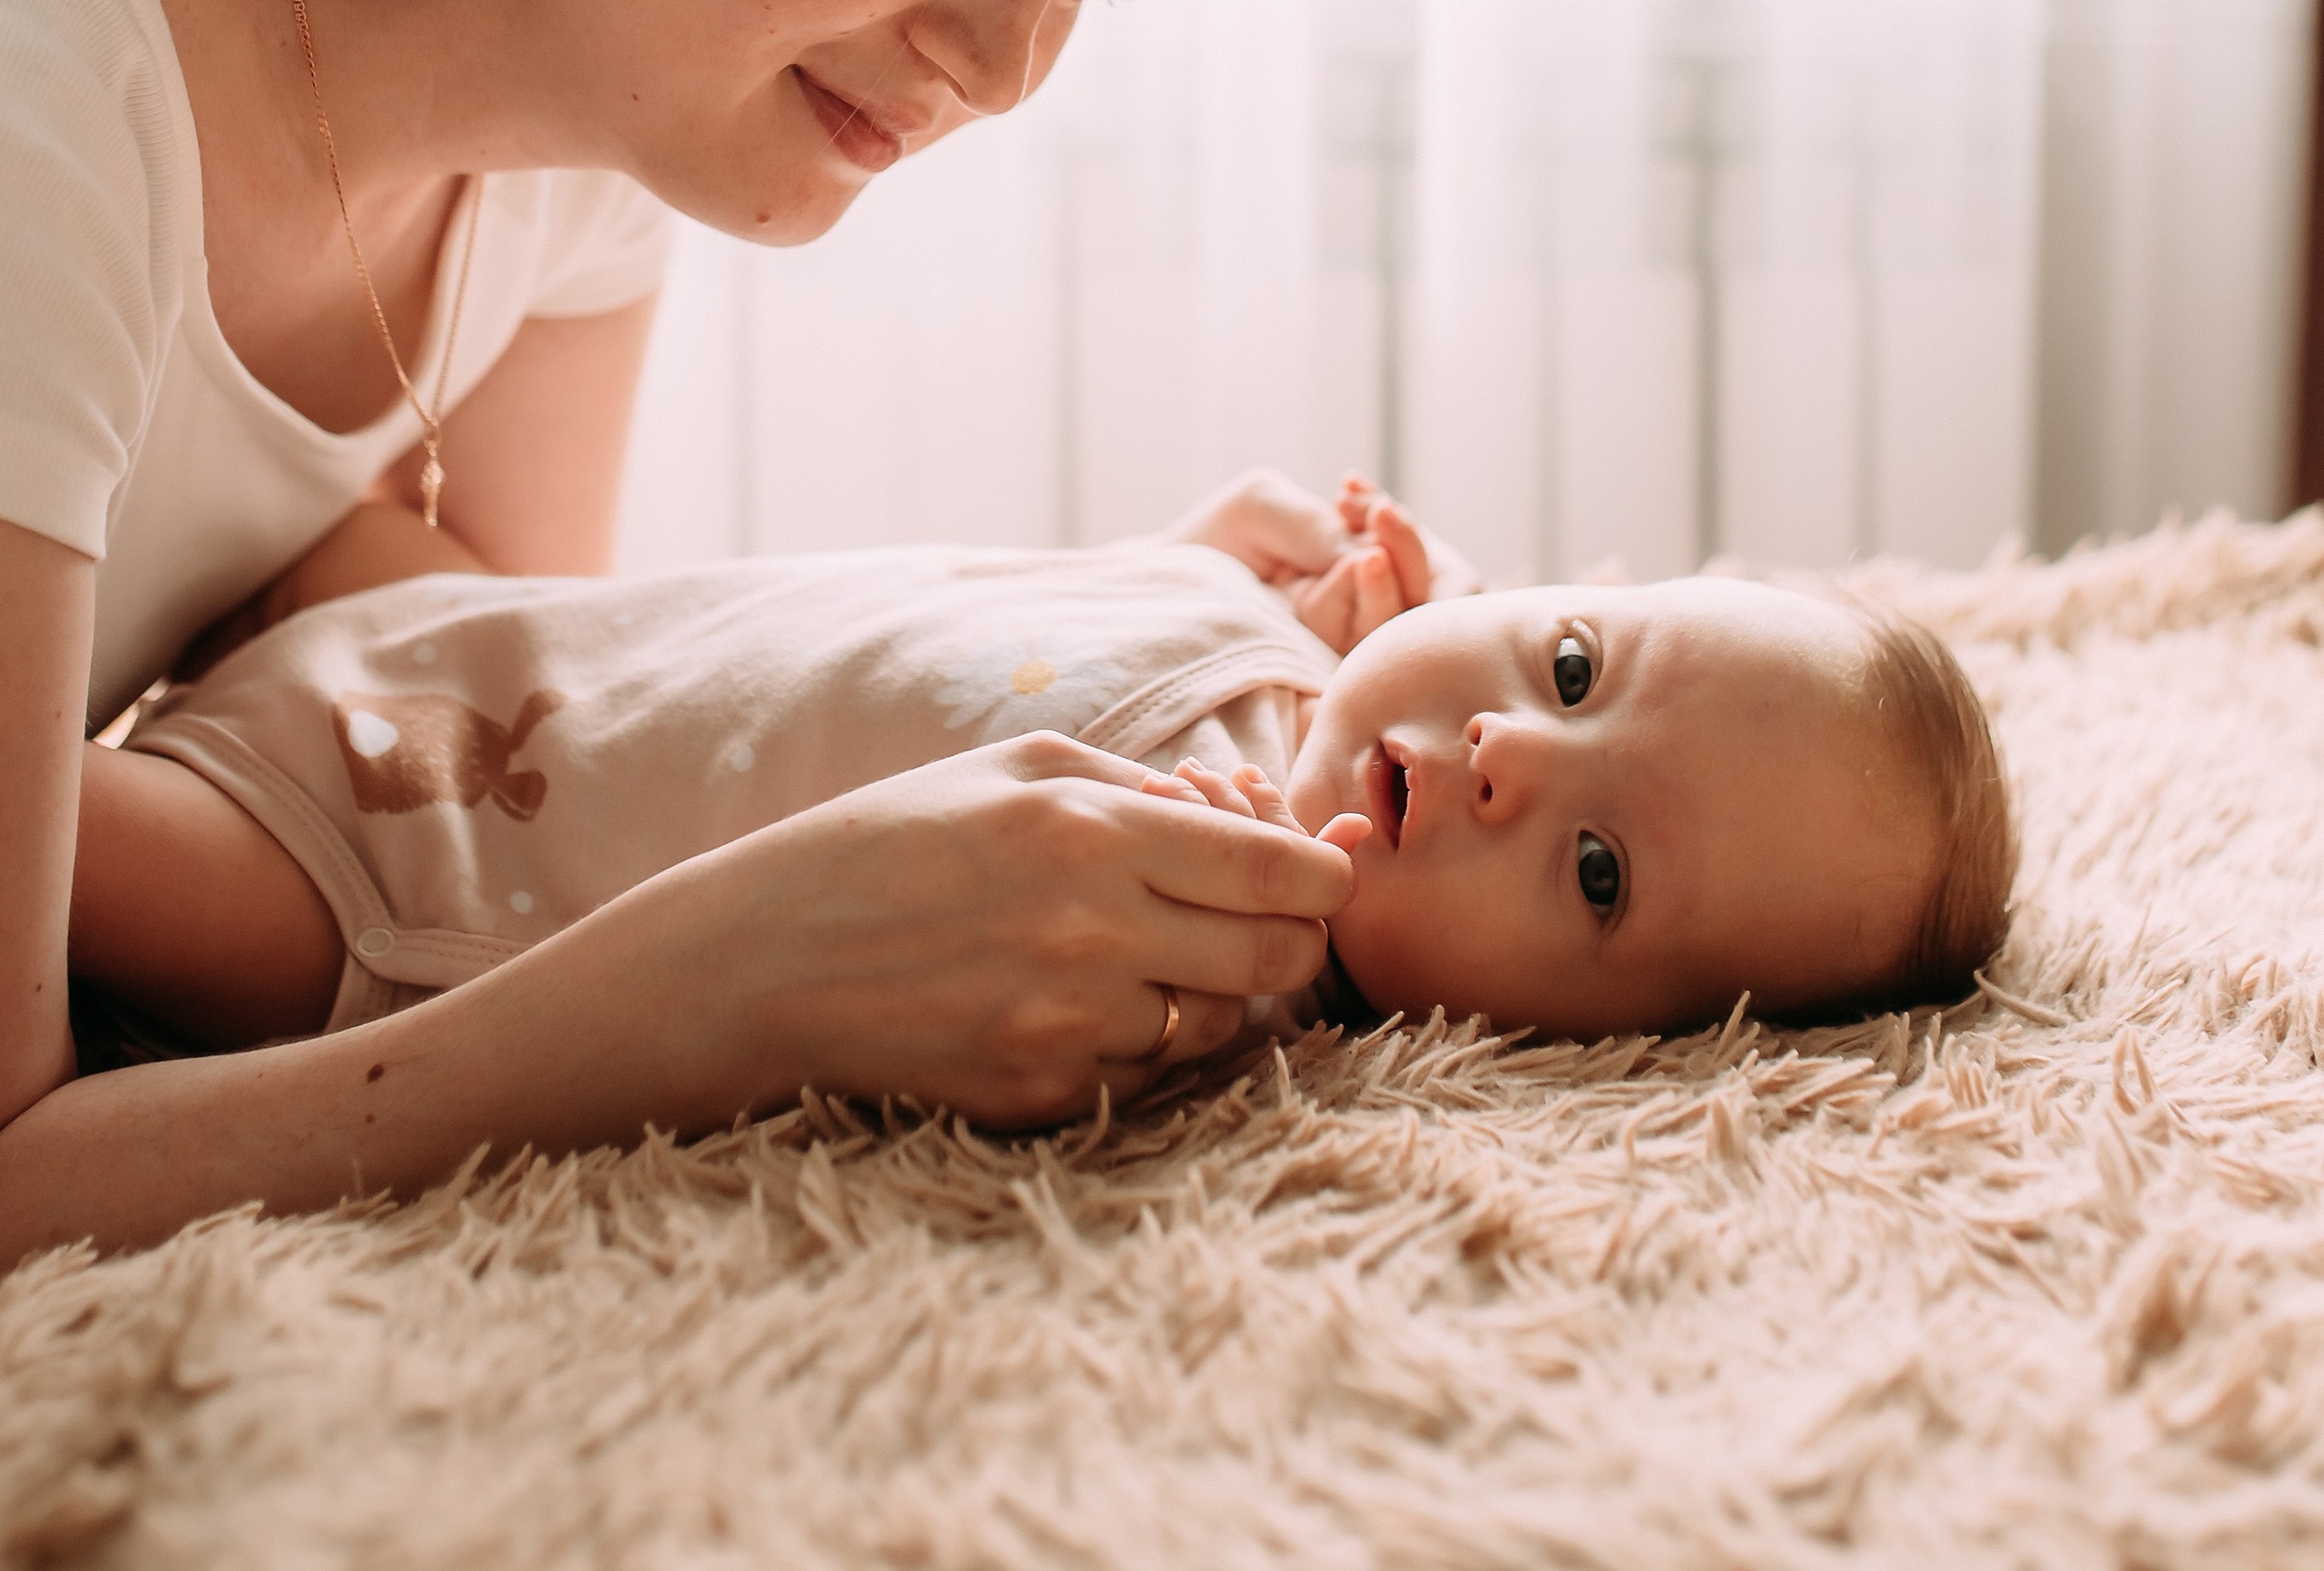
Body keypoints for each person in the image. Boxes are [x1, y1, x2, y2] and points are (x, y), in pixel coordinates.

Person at [0, 0, 1386, 1266]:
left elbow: (483, 754)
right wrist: (730, 987)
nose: (1009, 66)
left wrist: (1076, 661)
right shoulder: (44, 69)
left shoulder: (582, 133)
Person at [66, 476, 2014, 1075]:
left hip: (393, 885)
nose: (1512, 754)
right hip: (470, 649)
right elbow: (967, 650)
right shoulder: (1291, 662)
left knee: (50, 846)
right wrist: (1214, 580)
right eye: (1575, 665)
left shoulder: (1211, 928)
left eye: (1597, 875)